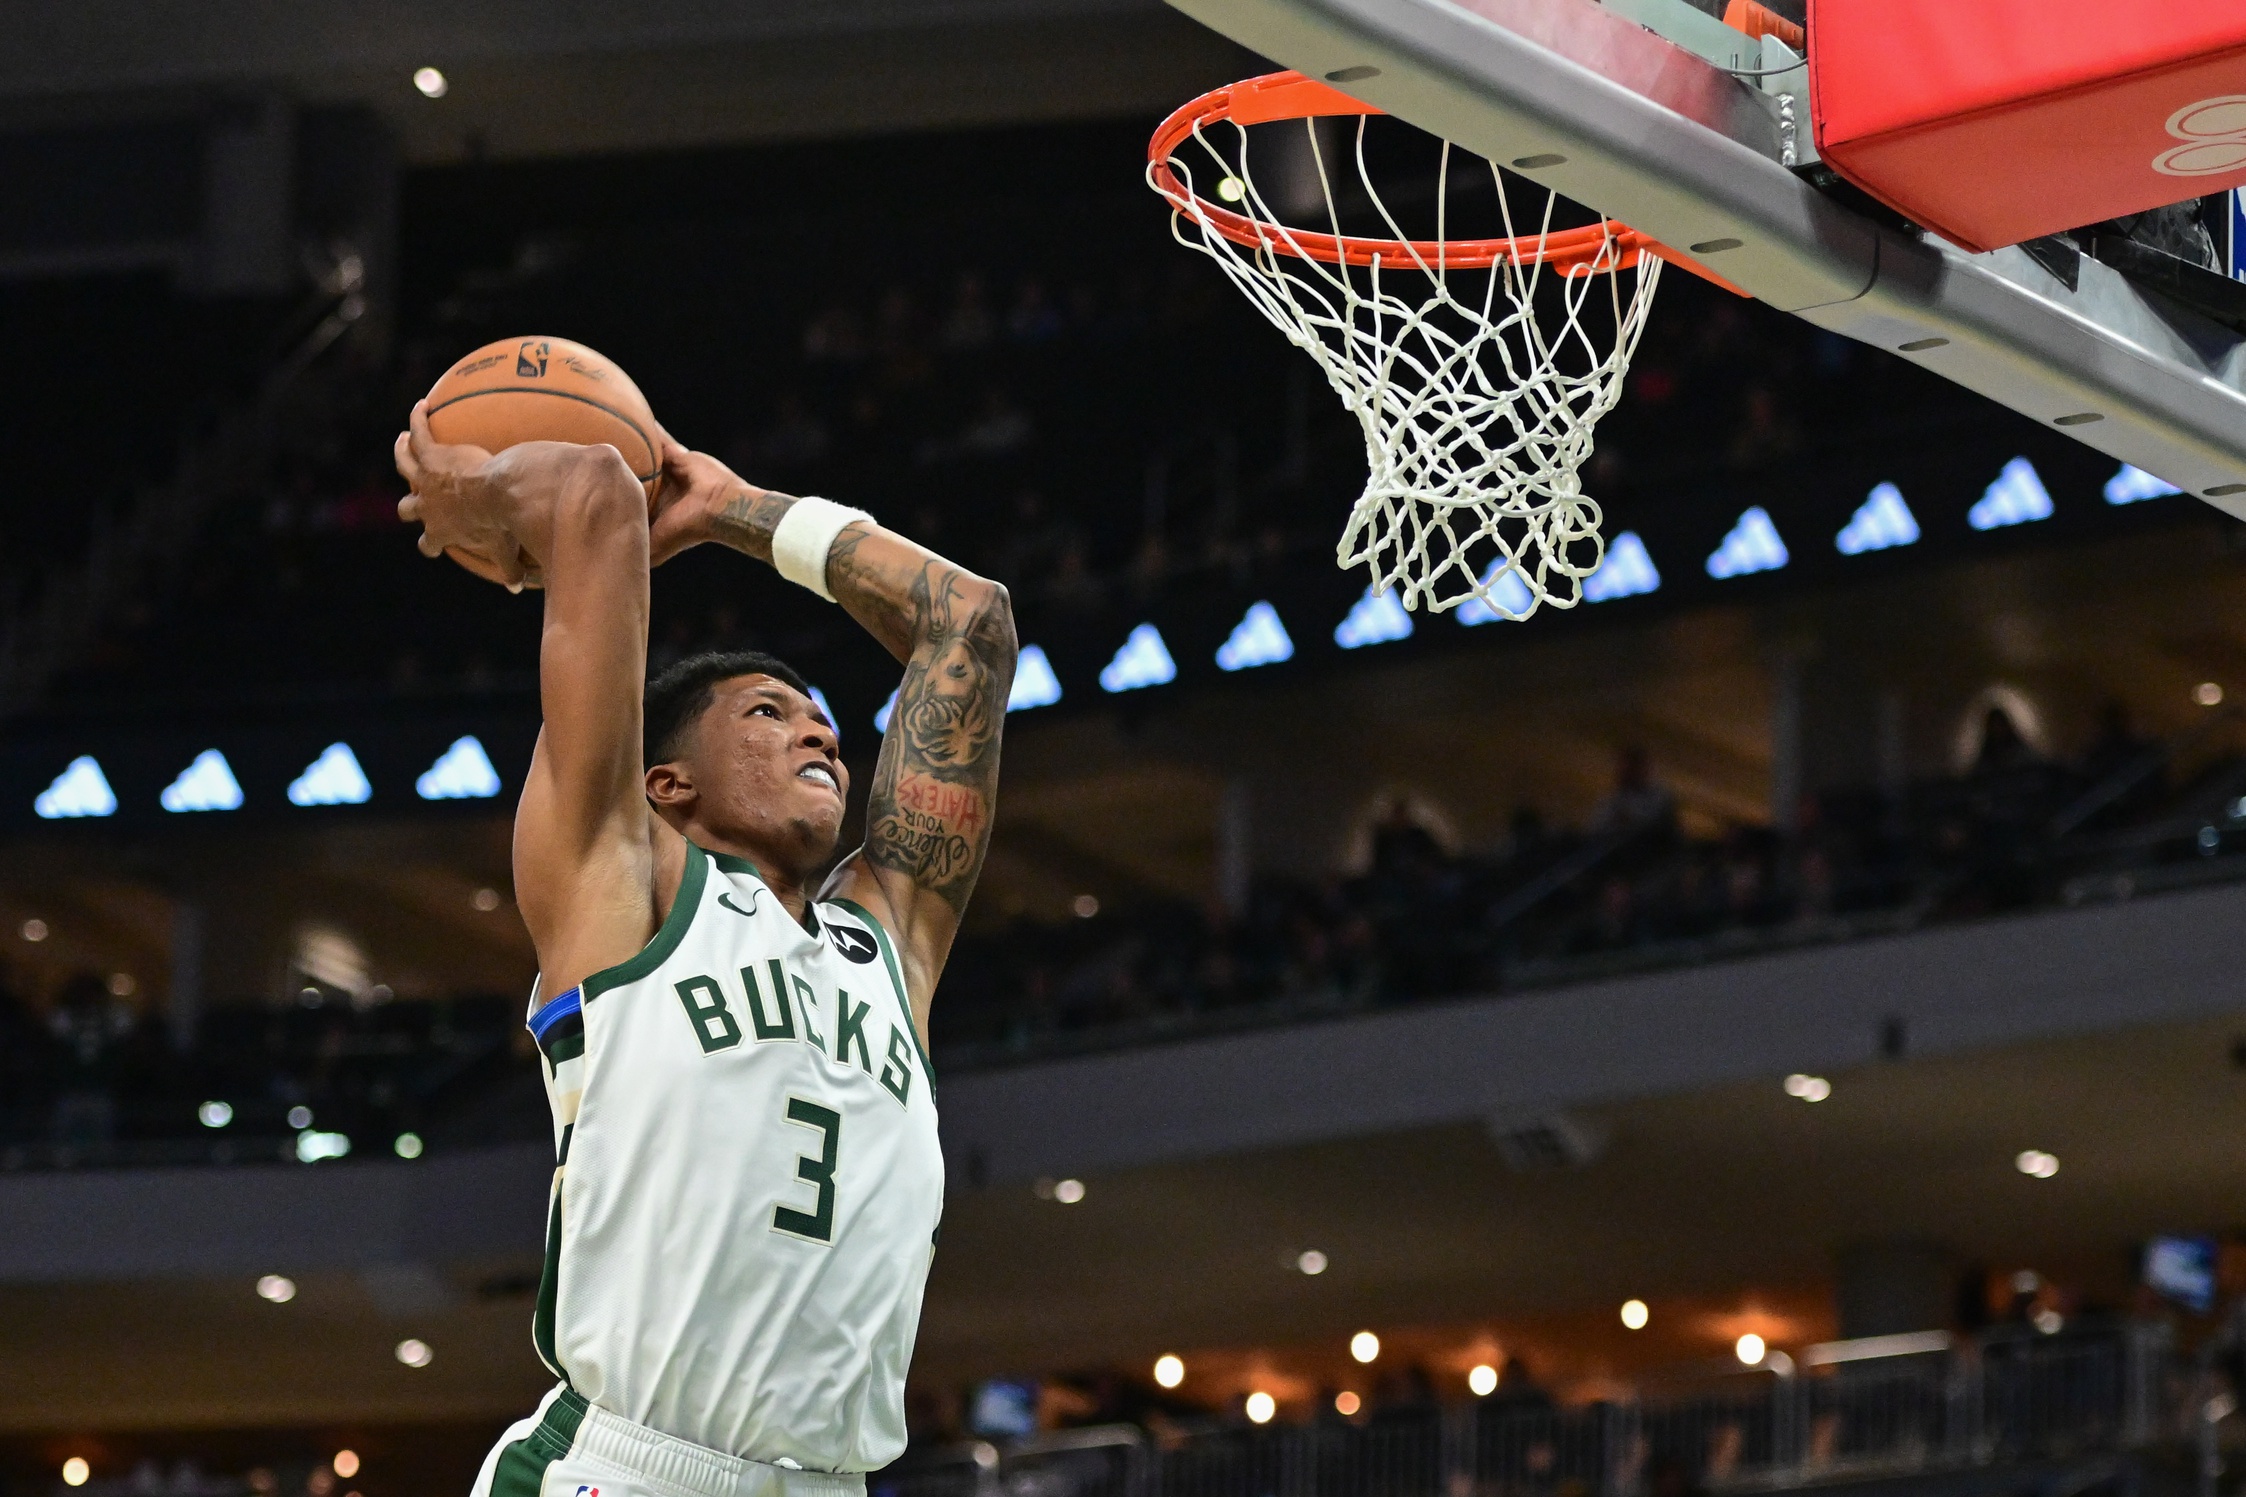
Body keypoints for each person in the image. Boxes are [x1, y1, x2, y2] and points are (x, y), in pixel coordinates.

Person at [393, 403, 1018, 1497]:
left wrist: (738, 511)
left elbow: (969, 623)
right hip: (628, 1469)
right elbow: (591, 486)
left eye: (821, 717)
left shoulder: (887, 948)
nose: (821, 732)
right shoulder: (627, 887)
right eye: (769, 714)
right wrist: (489, 503)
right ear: (666, 784)